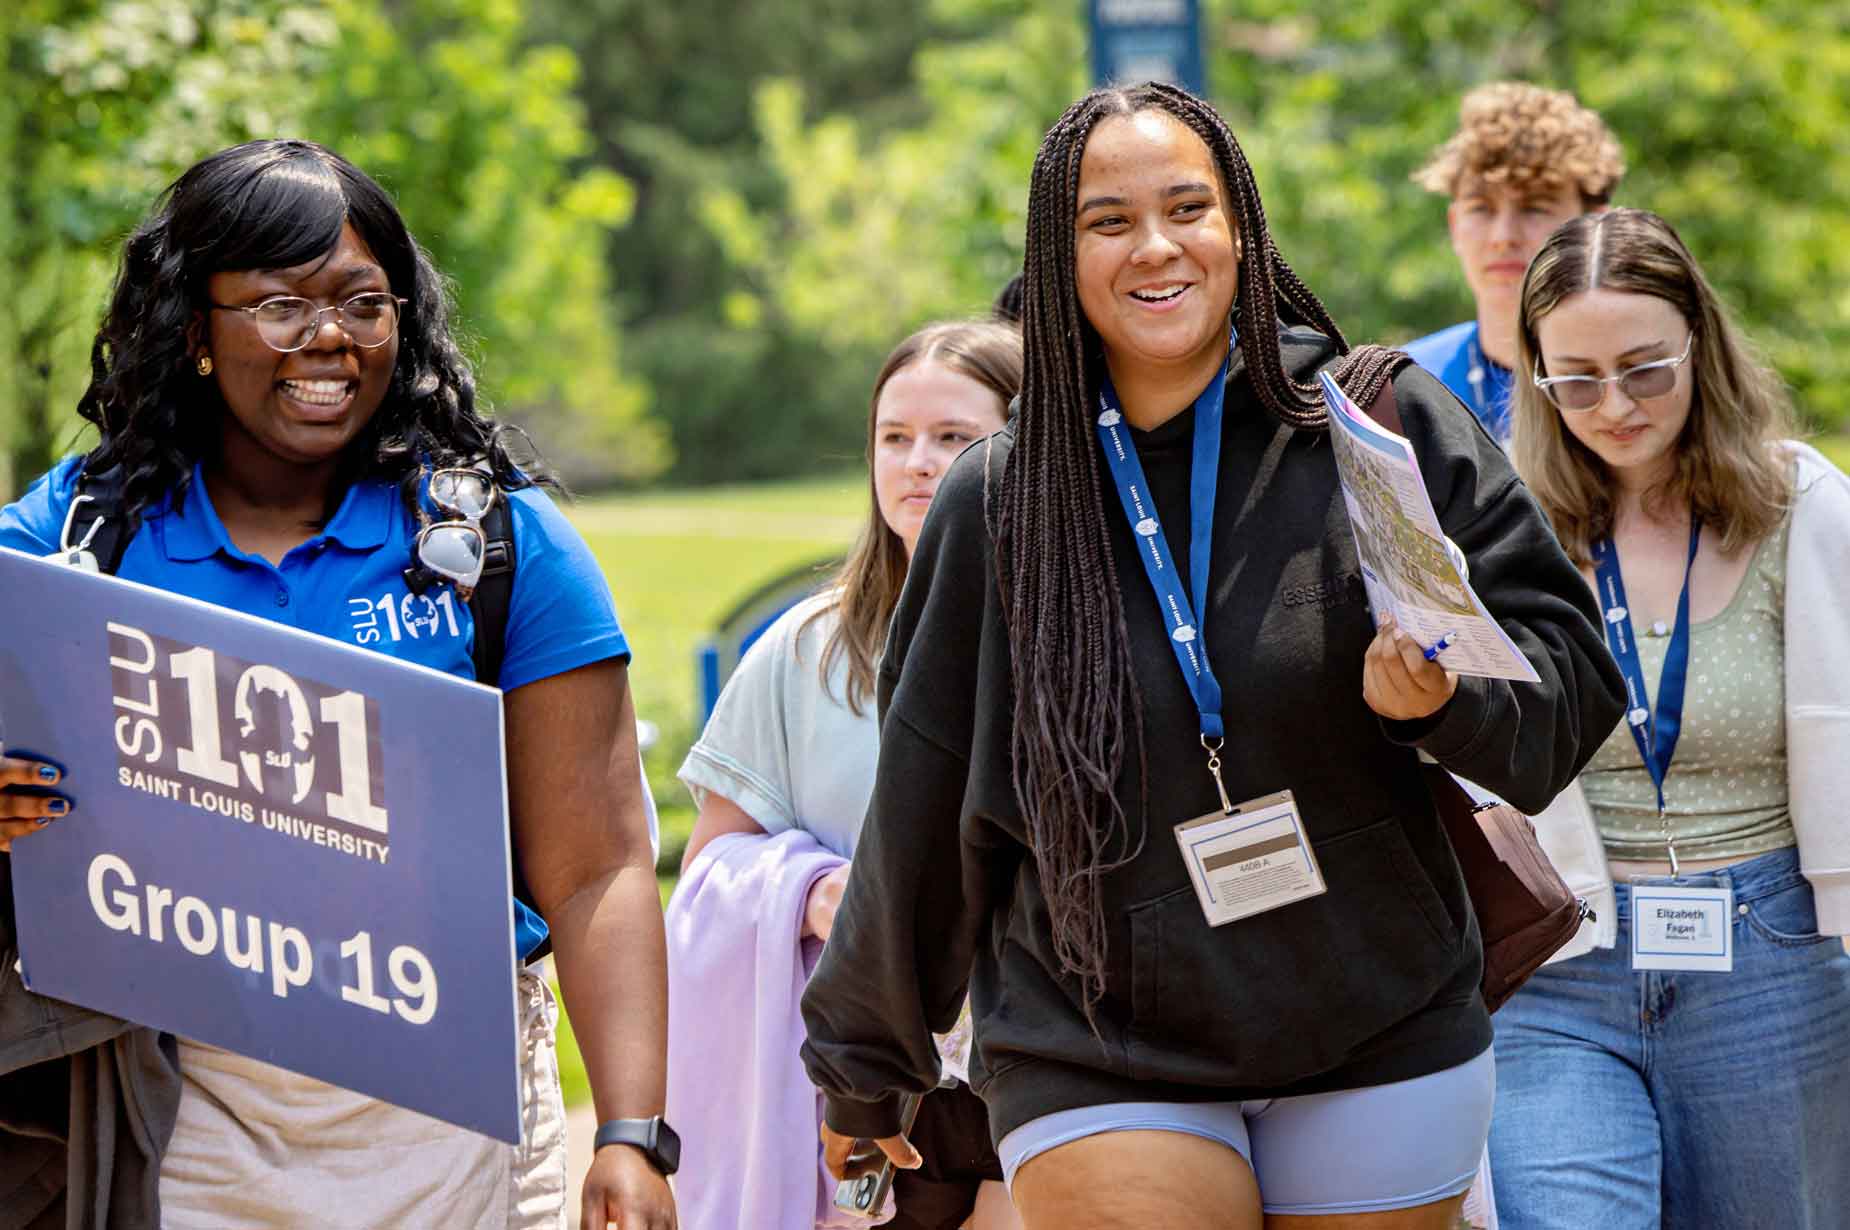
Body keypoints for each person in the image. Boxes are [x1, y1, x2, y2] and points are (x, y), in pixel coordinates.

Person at [798, 82, 1624, 1230]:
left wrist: (1440, 701)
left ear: (1239, 228)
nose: (1154, 246)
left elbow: (1569, 680)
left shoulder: (1374, 425)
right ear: (1057, 254)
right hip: (1095, 1037)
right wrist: (862, 1051)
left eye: (1186, 207)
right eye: (1105, 220)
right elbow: (926, 796)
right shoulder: (997, 500)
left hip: (1374, 1017)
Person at [0, 139, 676, 1230]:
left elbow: (597, 868)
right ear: (193, 330)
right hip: (181, 1099)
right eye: (278, 305)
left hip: (456, 1111)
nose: (328, 337)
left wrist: (630, 1133)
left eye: (363, 301)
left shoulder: (502, 545)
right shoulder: (82, 535)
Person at [1491, 207, 1850, 1226]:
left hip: (1766, 959)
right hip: (1559, 964)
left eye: (1645, 368)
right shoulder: (1499, 524)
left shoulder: (1799, 506)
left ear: (1701, 346)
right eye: (1575, 379)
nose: (1611, 405)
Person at [667, 320, 1023, 1230]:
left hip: (1053, 1073)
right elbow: (705, 877)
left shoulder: (1088, 640)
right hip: (870, 1096)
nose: (917, 463)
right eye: (894, 437)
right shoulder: (804, 652)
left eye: (954, 438)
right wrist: (818, 894)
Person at [1406, 82, 1624, 444]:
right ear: (1455, 225)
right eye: (1481, 208)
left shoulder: (1639, 385)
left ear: (1595, 224)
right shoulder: (1405, 386)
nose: (1503, 236)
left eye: (1535, 207)